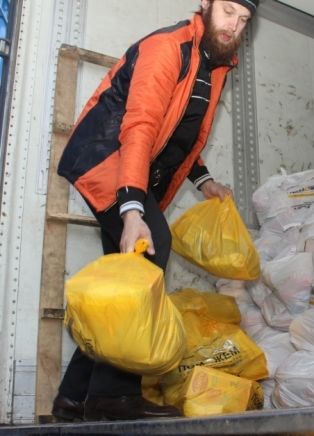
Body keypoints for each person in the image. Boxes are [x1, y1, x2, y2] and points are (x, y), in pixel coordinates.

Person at [52, 0, 259, 421]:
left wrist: (203, 180)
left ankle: (74, 399)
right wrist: (132, 210)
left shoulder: (214, 65)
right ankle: (113, 397)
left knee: (123, 289)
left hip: (131, 170)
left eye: (243, 20)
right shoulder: (167, 48)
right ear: (206, 4)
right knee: (152, 247)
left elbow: (182, 131)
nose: (233, 26)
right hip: (106, 159)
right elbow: (142, 126)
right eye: (228, 11)